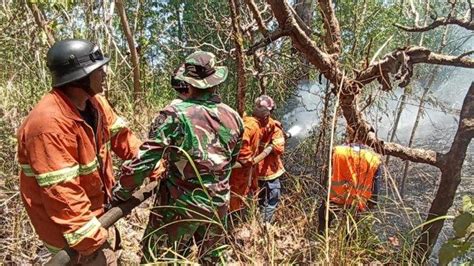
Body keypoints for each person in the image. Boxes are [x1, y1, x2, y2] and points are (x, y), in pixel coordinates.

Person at [17, 39, 142, 264]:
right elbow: (62, 192)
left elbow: (123, 138)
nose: (104, 73)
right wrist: (88, 237)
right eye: (98, 69)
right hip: (69, 232)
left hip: (95, 215)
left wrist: (151, 164)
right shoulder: (48, 124)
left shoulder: (96, 104)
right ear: (79, 77)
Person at [112, 51, 244, 263]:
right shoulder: (233, 117)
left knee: (161, 259)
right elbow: (231, 159)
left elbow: (145, 161)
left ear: (188, 82)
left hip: (178, 207)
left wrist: (121, 192)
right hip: (217, 205)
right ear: (215, 80)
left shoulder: (174, 114)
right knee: (213, 260)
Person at [317, 126, 382, 235]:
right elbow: (375, 185)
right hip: (358, 200)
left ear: (351, 134)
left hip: (337, 195)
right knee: (351, 227)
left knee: (323, 216)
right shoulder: (374, 158)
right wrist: (372, 201)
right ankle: (347, 248)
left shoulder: (338, 151)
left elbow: (329, 173)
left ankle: (321, 239)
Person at [252, 95, 286, 224]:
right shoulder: (274, 127)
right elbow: (279, 149)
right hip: (270, 172)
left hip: (254, 172)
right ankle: (265, 226)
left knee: (260, 199)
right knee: (271, 201)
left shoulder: (249, 123)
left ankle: (257, 222)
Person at [228, 112, 262, 213]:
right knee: (235, 201)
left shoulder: (250, 125)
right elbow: (244, 155)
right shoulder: (250, 126)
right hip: (238, 176)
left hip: (245, 174)